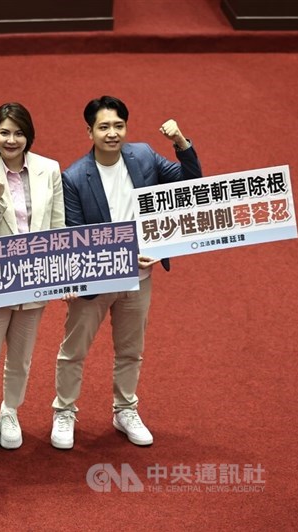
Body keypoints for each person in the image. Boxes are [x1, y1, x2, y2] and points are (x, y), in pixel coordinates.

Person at [50, 95, 202, 449]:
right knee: (74, 351)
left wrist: (180, 143)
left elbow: (190, 186)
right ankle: (64, 411)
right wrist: (120, 258)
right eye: (104, 127)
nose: (112, 133)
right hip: (95, 279)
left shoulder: (145, 155)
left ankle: (125, 409)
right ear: (89, 131)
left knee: (131, 350)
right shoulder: (73, 177)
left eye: (118, 126)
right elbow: (75, 234)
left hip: (140, 279)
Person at [0, 102, 65, 450]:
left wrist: (60, 273)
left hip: (35, 275)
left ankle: (11, 410)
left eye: (18, 132)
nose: (11, 139)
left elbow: (58, 225)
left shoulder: (49, 169)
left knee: (22, 354)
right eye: (4, 132)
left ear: (28, 135)